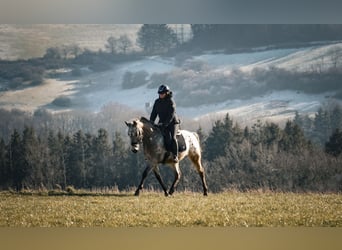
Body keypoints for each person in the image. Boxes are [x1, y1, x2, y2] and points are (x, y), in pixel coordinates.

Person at [150, 84, 180, 163]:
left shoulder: (171, 102)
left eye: (162, 93)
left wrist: (165, 124)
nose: (160, 95)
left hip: (173, 123)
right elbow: (153, 114)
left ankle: (175, 155)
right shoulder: (157, 102)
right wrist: (151, 122)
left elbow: (171, 115)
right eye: (159, 93)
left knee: (172, 138)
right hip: (163, 123)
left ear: (166, 93)